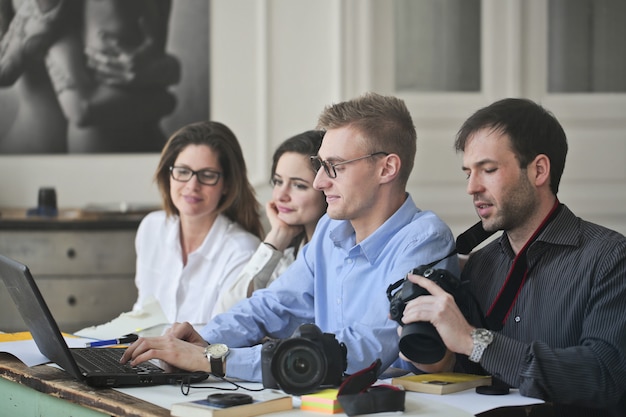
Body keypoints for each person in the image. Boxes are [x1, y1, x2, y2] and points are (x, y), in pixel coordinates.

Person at [120, 92, 460, 382]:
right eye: (320, 165)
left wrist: (215, 359)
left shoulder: (423, 240)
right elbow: (272, 304)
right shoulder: (330, 230)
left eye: (334, 167)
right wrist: (205, 337)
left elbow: (366, 348)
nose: (319, 183)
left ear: (387, 168)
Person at [399, 98, 626, 416]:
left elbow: (606, 376)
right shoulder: (479, 265)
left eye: (488, 170)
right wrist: (434, 356)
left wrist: (475, 340)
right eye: (468, 173)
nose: (472, 187)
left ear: (539, 170)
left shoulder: (611, 258)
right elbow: (469, 372)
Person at [0, 0, 179, 153]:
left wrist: (168, 70)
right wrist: (167, 98)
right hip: (48, 164)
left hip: (104, 162)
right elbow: (84, 108)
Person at [132, 120, 263, 325]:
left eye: (207, 175)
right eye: (183, 172)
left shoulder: (243, 251)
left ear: (227, 184)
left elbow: (223, 337)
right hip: (142, 354)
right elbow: (142, 314)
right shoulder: (151, 228)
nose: (192, 186)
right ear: (169, 175)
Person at [213, 129, 327, 315]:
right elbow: (227, 313)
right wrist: (277, 237)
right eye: (278, 181)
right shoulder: (288, 256)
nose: (281, 195)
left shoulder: (336, 257)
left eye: (299, 185)